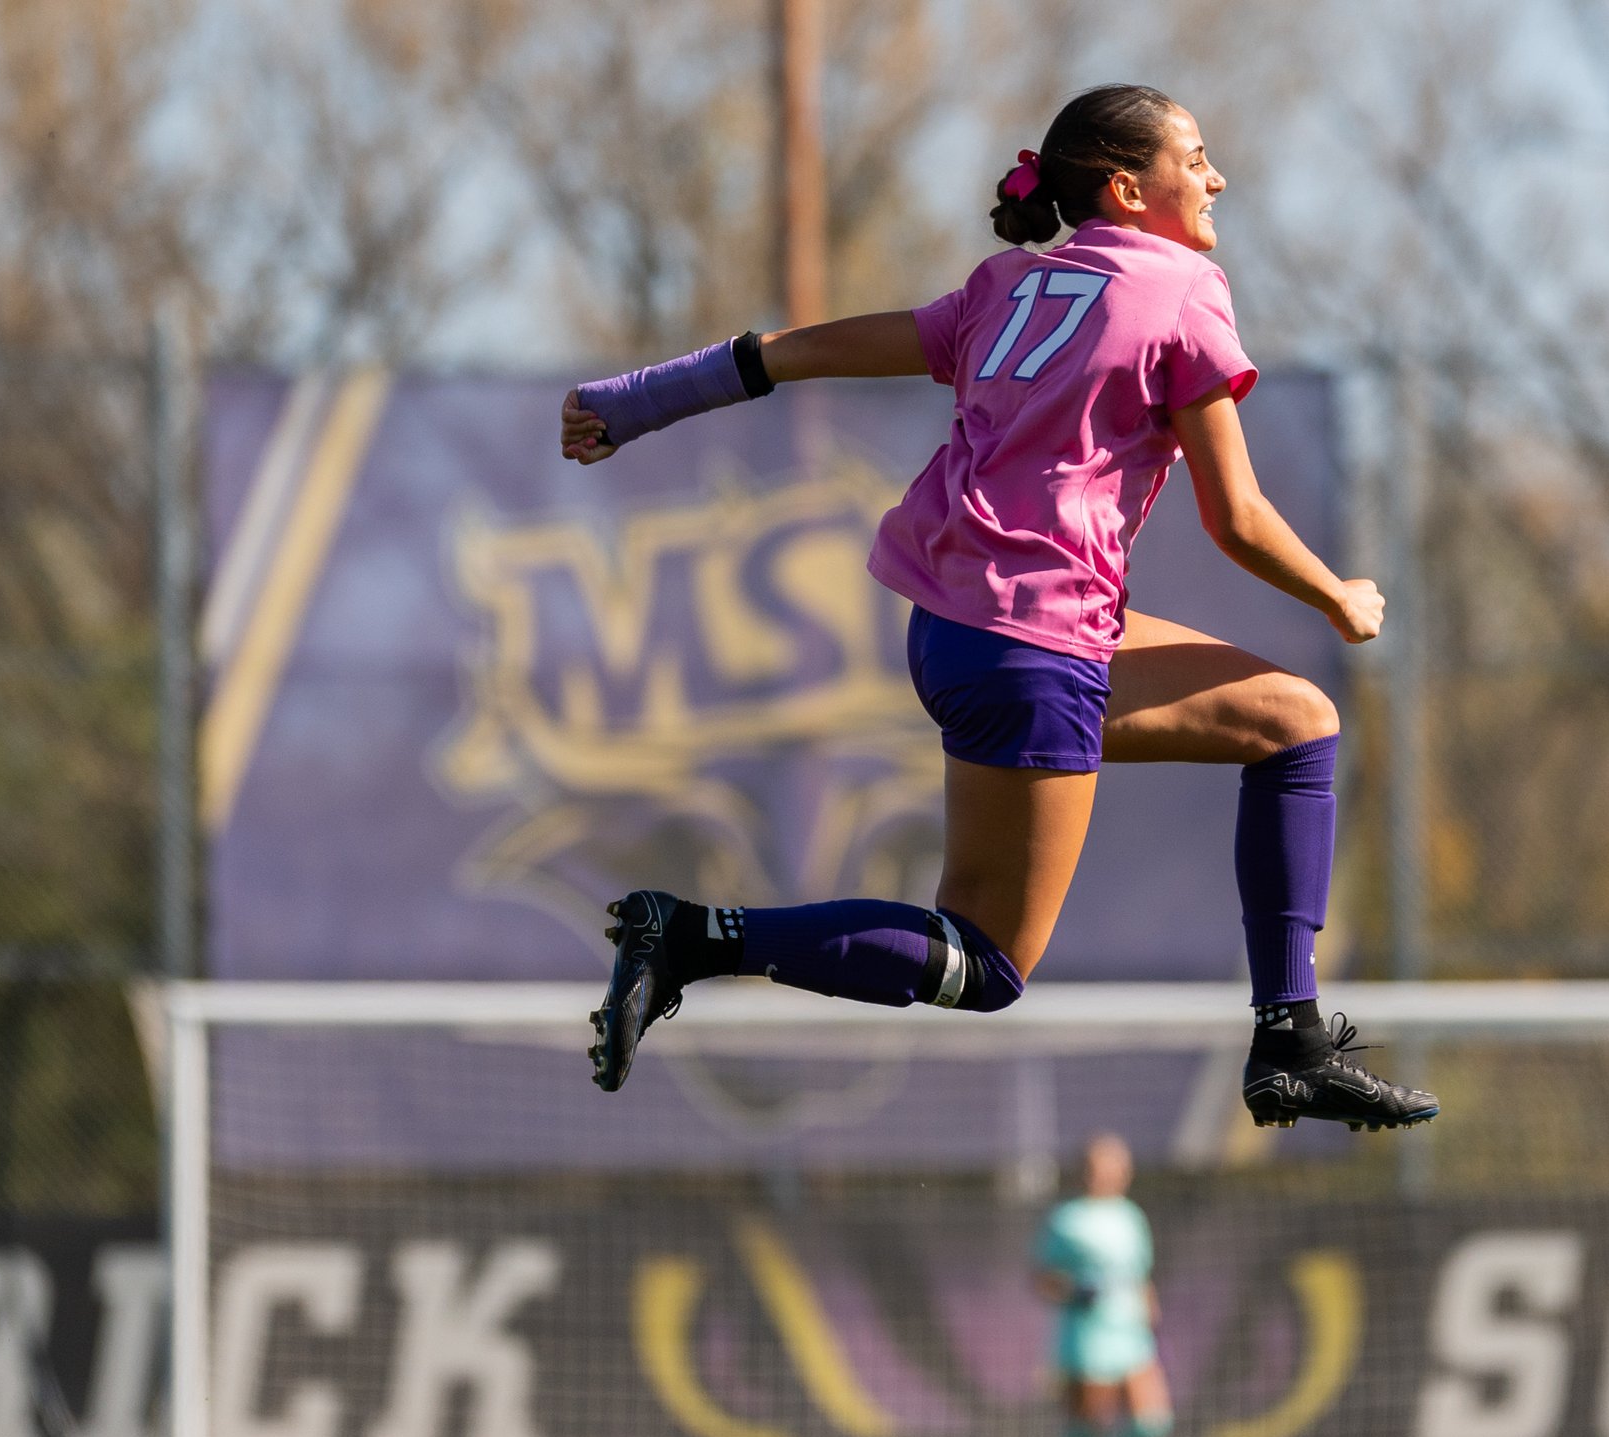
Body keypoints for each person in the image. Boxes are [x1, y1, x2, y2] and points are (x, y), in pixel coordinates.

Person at [563, 84, 1437, 1134]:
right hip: (1037, 647)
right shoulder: (1183, 288)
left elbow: (810, 350)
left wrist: (639, 399)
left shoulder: (1011, 284)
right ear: (1126, 187)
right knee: (986, 961)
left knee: (1292, 719)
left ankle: (1288, 1038)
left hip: (963, 631)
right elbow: (1237, 517)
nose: (1215, 178)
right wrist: (1339, 594)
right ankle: (698, 936)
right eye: (1195, 157)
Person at [1034, 1134, 1166, 1437]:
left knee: (1152, 1424)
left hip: (1130, 1332)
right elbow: (1042, 1278)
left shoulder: (1131, 1217)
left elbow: (1140, 1275)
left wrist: (1149, 1308)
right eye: (1100, 1165)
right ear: (1085, 1171)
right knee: (1090, 1427)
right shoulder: (1067, 1220)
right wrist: (1073, 1291)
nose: (1108, 1173)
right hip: (1087, 1332)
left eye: (1116, 1165)